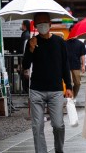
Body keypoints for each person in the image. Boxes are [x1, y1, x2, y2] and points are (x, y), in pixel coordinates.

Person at [22, 12, 74, 153]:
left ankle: (59, 149)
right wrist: (31, 49)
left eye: (45, 22)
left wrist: (68, 86)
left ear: (50, 24)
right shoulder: (32, 42)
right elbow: (25, 65)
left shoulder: (59, 42)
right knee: (37, 126)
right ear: (36, 25)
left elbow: (65, 65)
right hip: (36, 90)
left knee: (58, 125)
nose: (42, 25)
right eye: (39, 23)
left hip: (56, 90)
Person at [66, 35, 86, 102]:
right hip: (66, 66)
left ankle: (74, 96)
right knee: (68, 83)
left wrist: (83, 65)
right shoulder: (64, 42)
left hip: (76, 65)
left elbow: (82, 55)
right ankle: (69, 97)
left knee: (77, 83)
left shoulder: (80, 43)